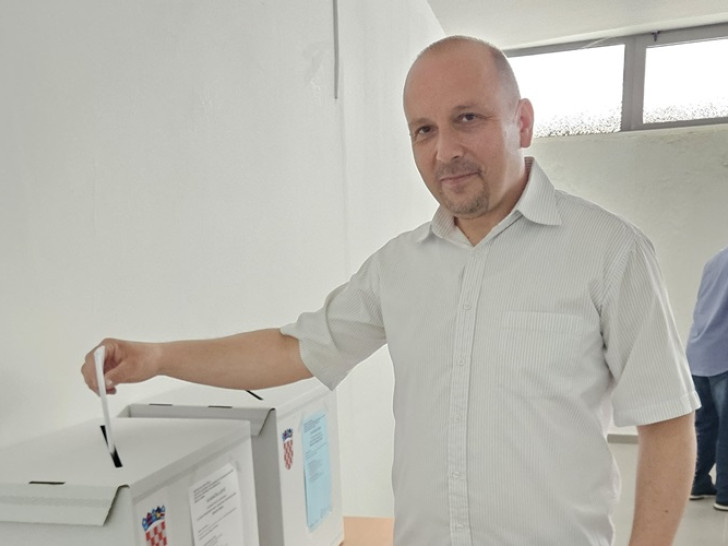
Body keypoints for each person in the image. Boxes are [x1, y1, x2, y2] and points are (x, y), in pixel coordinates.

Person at [82, 36, 699, 545]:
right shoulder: (399, 267)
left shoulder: (609, 252)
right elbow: (291, 349)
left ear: (523, 122)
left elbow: (668, 423)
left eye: (467, 118)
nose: (446, 150)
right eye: (423, 130)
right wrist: (157, 357)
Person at [686, 246, 728, 510]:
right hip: (724, 356)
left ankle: (696, 482)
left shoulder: (714, 261)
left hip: (698, 352)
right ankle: (725, 493)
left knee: (705, 426)